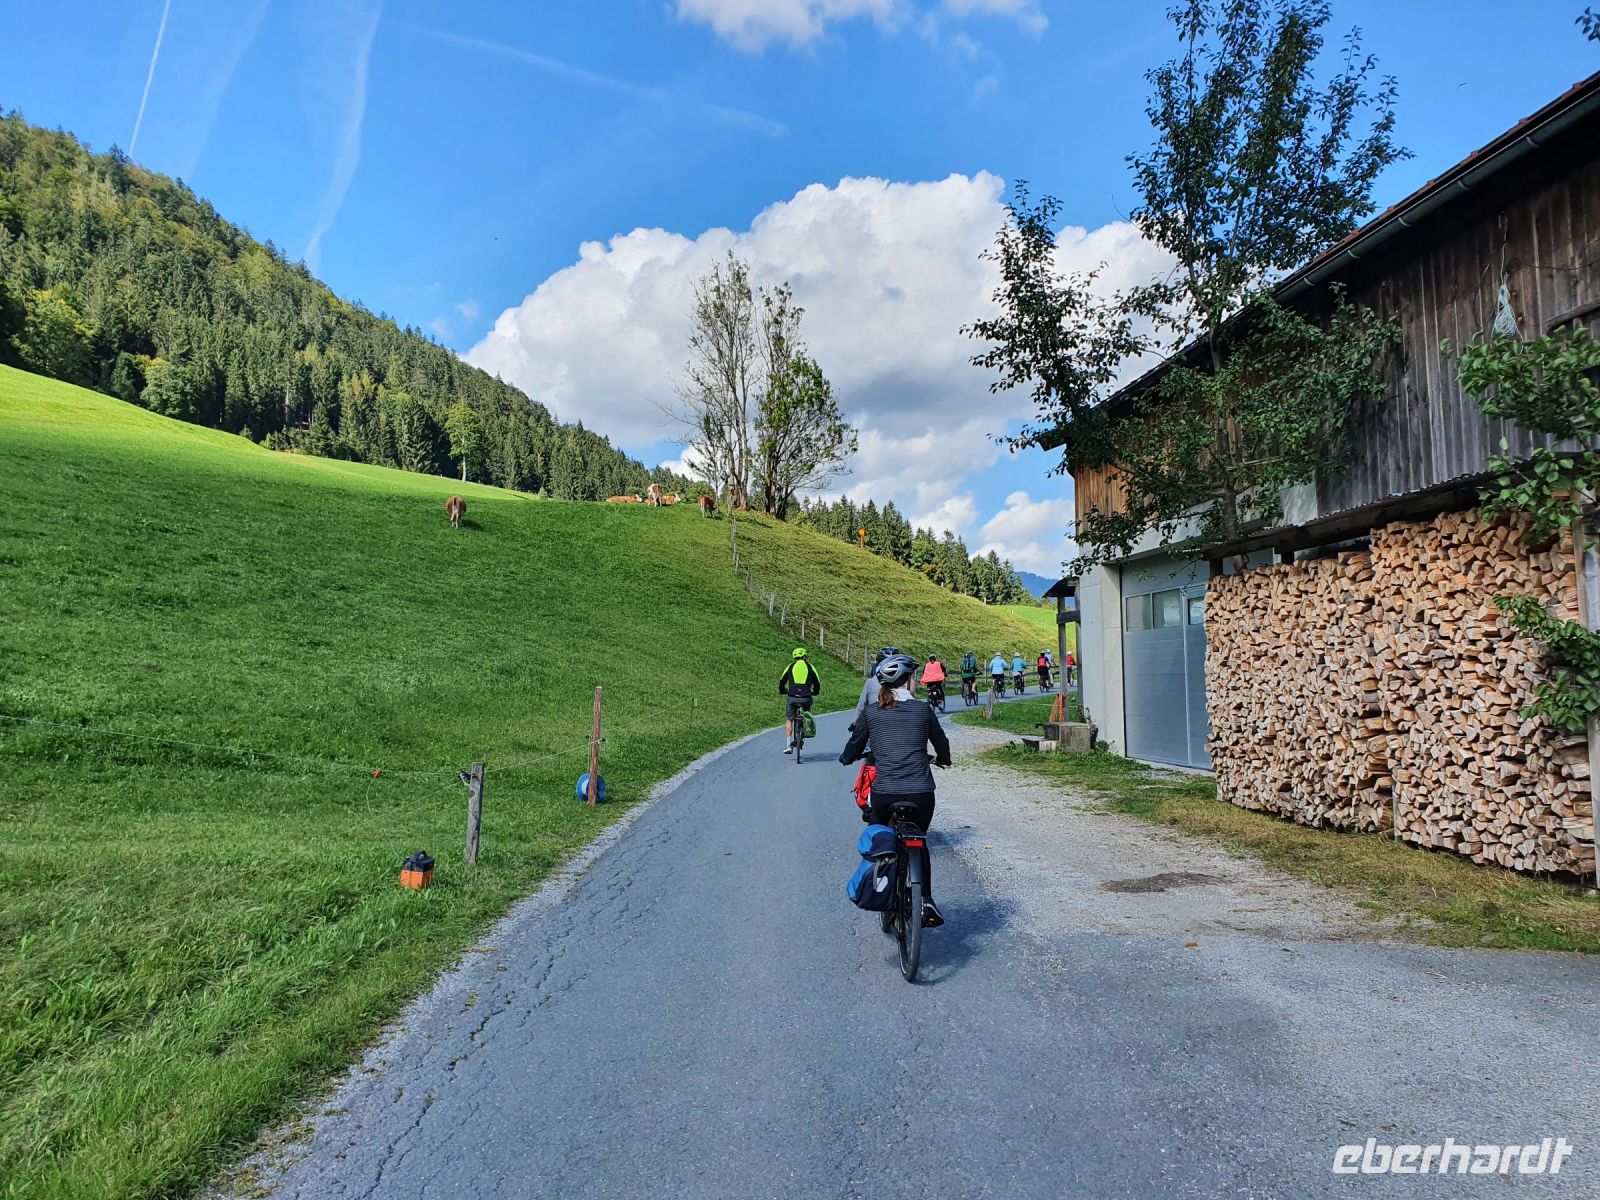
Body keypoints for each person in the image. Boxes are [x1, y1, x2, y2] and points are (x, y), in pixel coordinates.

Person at [839, 653, 951, 928]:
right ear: (909, 680)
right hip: (921, 792)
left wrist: (847, 757)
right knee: (919, 840)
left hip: (885, 792)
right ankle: (925, 899)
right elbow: (941, 743)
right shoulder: (923, 710)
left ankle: (884, 890)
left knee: (882, 838)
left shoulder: (872, 712)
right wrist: (944, 760)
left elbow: (854, 744)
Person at [778, 647, 821, 754]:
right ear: (805, 656)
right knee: (807, 714)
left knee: (789, 719)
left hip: (792, 696)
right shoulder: (810, 667)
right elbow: (817, 682)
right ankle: (804, 733)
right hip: (806, 697)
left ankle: (788, 745)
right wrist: (815, 692)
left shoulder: (790, 666)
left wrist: (783, 690)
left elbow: (782, 680)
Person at [852, 645, 900, 727]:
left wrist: (855, 722)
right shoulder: (902, 683)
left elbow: (862, 705)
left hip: (875, 723)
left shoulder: (870, 682)